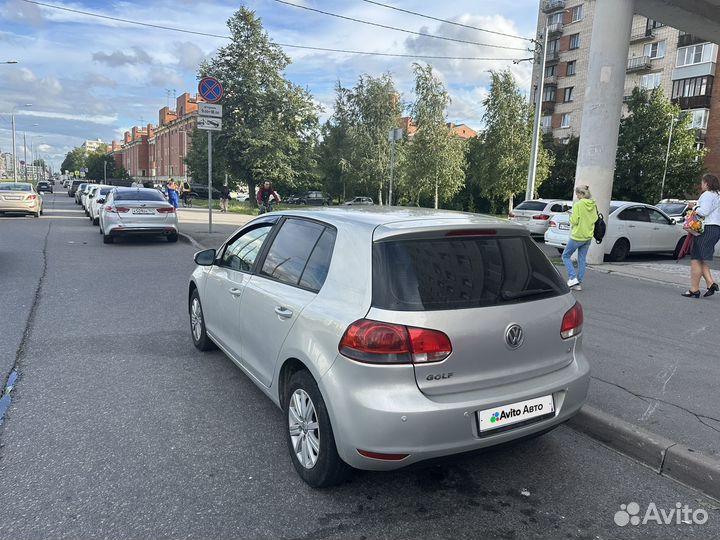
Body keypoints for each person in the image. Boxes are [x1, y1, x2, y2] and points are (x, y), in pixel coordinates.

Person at [682, 173, 720, 298]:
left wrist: (694, 206)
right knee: (701, 258)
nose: (701, 185)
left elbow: (704, 211)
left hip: (706, 228)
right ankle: (710, 283)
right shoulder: (718, 195)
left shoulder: (707, 194)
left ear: (707, 184)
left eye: (702, 182)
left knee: (696, 259)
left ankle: (694, 289)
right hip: (715, 229)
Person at [562, 185, 598, 291]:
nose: (576, 196)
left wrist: (570, 215)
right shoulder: (593, 205)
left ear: (581, 194)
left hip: (577, 236)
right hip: (588, 237)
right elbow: (595, 218)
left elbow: (574, 221)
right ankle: (578, 283)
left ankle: (572, 278)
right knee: (582, 259)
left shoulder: (578, 205)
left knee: (565, 256)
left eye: (577, 194)